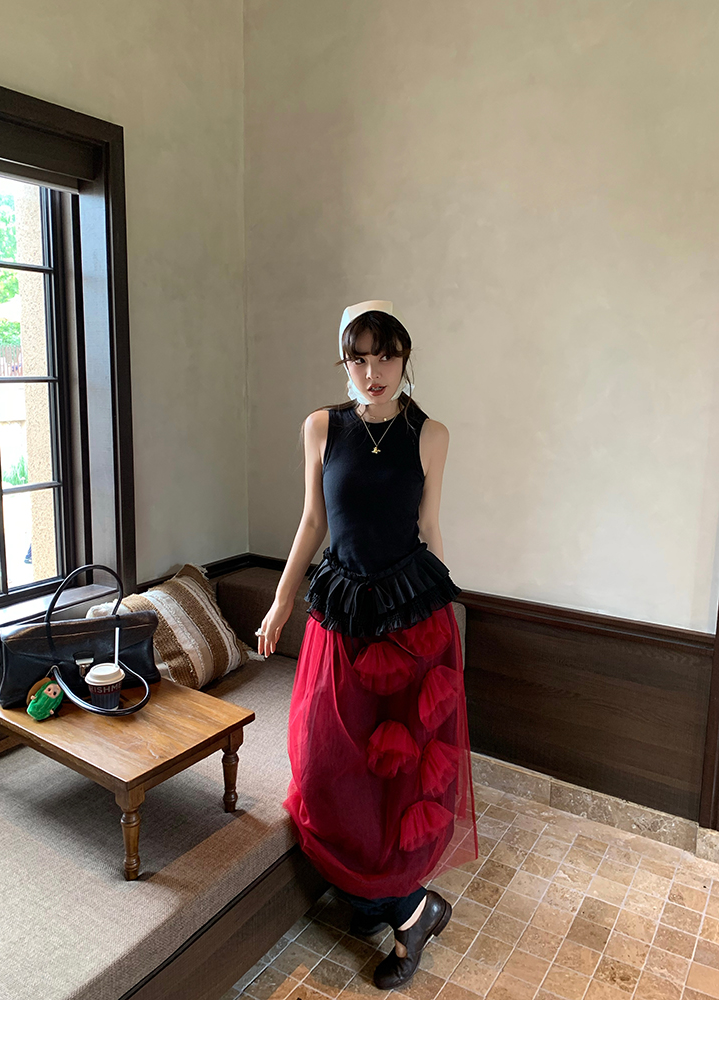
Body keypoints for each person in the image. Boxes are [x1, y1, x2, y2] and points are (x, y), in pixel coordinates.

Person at [256, 300, 477, 990]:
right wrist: (281, 600)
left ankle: (404, 913)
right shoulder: (322, 427)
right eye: (359, 357)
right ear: (344, 361)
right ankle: (405, 904)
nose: (373, 370)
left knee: (400, 777)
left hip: (410, 623)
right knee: (328, 764)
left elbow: (429, 529)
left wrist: (446, 628)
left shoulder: (431, 434)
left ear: (406, 359)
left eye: (387, 355)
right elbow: (312, 520)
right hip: (342, 615)